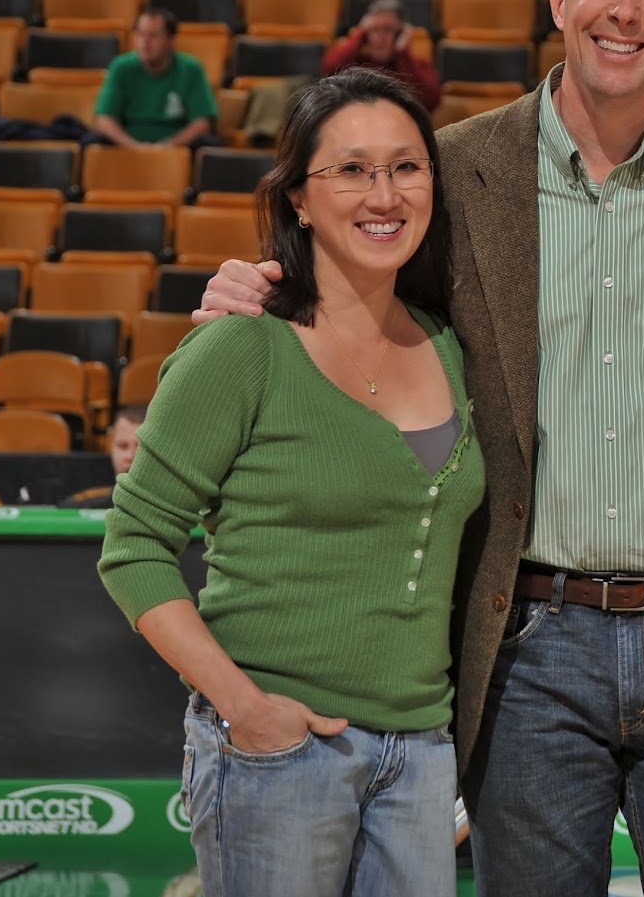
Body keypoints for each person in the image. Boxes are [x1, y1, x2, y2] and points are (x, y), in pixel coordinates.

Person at [197, 0, 644, 895]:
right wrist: (256, 287)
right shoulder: (452, 168)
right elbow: (356, 297)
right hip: (528, 641)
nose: (624, 13)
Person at [98, 69, 484, 896]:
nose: (384, 194)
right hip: (279, 750)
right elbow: (133, 549)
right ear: (299, 199)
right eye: (352, 169)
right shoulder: (242, 345)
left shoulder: (452, 344)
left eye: (406, 167)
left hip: (420, 756)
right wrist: (245, 707)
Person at [92, 8, 220, 149]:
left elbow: (202, 122)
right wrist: (134, 147)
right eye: (141, 35)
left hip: (176, 145)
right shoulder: (121, 67)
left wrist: (169, 146)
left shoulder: (191, 68)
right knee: (92, 140)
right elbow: (104, 119)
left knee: (210, 144)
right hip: (127, 144)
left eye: (153, 36)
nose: (145, 42)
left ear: (172, 40)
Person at [322, 0, 442, 112]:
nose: (379, 37)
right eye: (373, 29)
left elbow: (429, 101)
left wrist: (402, 53)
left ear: (399, 34)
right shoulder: (355, 63)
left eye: (387, 29)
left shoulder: (415, 65)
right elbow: (329, 72)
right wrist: (360, 33)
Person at [62, 405, 145, 508]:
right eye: (122, 446)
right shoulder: (80, 506)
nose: (130, 456)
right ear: (111, 447)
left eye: (140, 448)